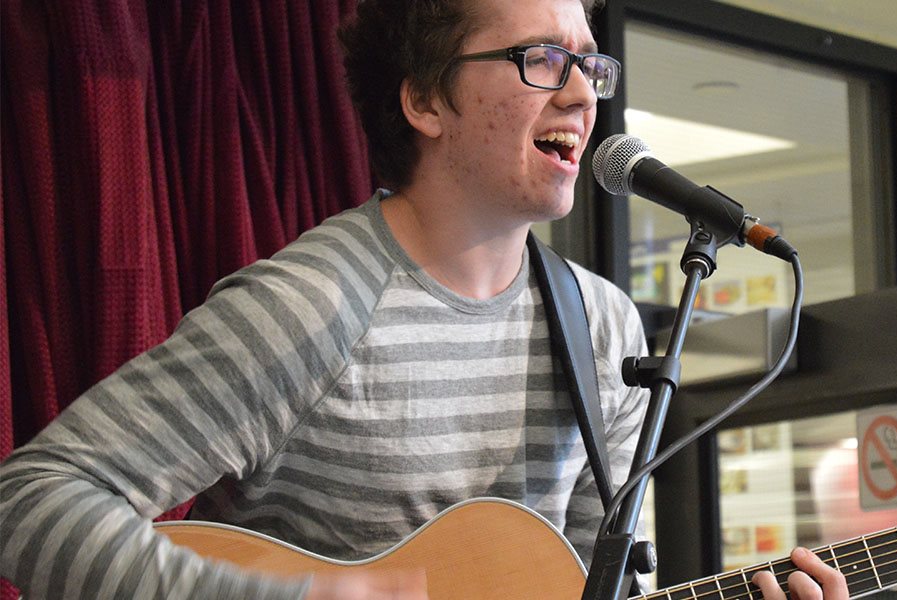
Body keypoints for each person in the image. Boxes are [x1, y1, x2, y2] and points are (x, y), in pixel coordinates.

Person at [0, 1, 848, 598]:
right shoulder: (313, 305)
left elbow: (595, 587)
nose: (585, 93)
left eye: (589, 63)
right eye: (541, 59)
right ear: (423, 99)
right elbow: (33, 498)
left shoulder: (602, 329)